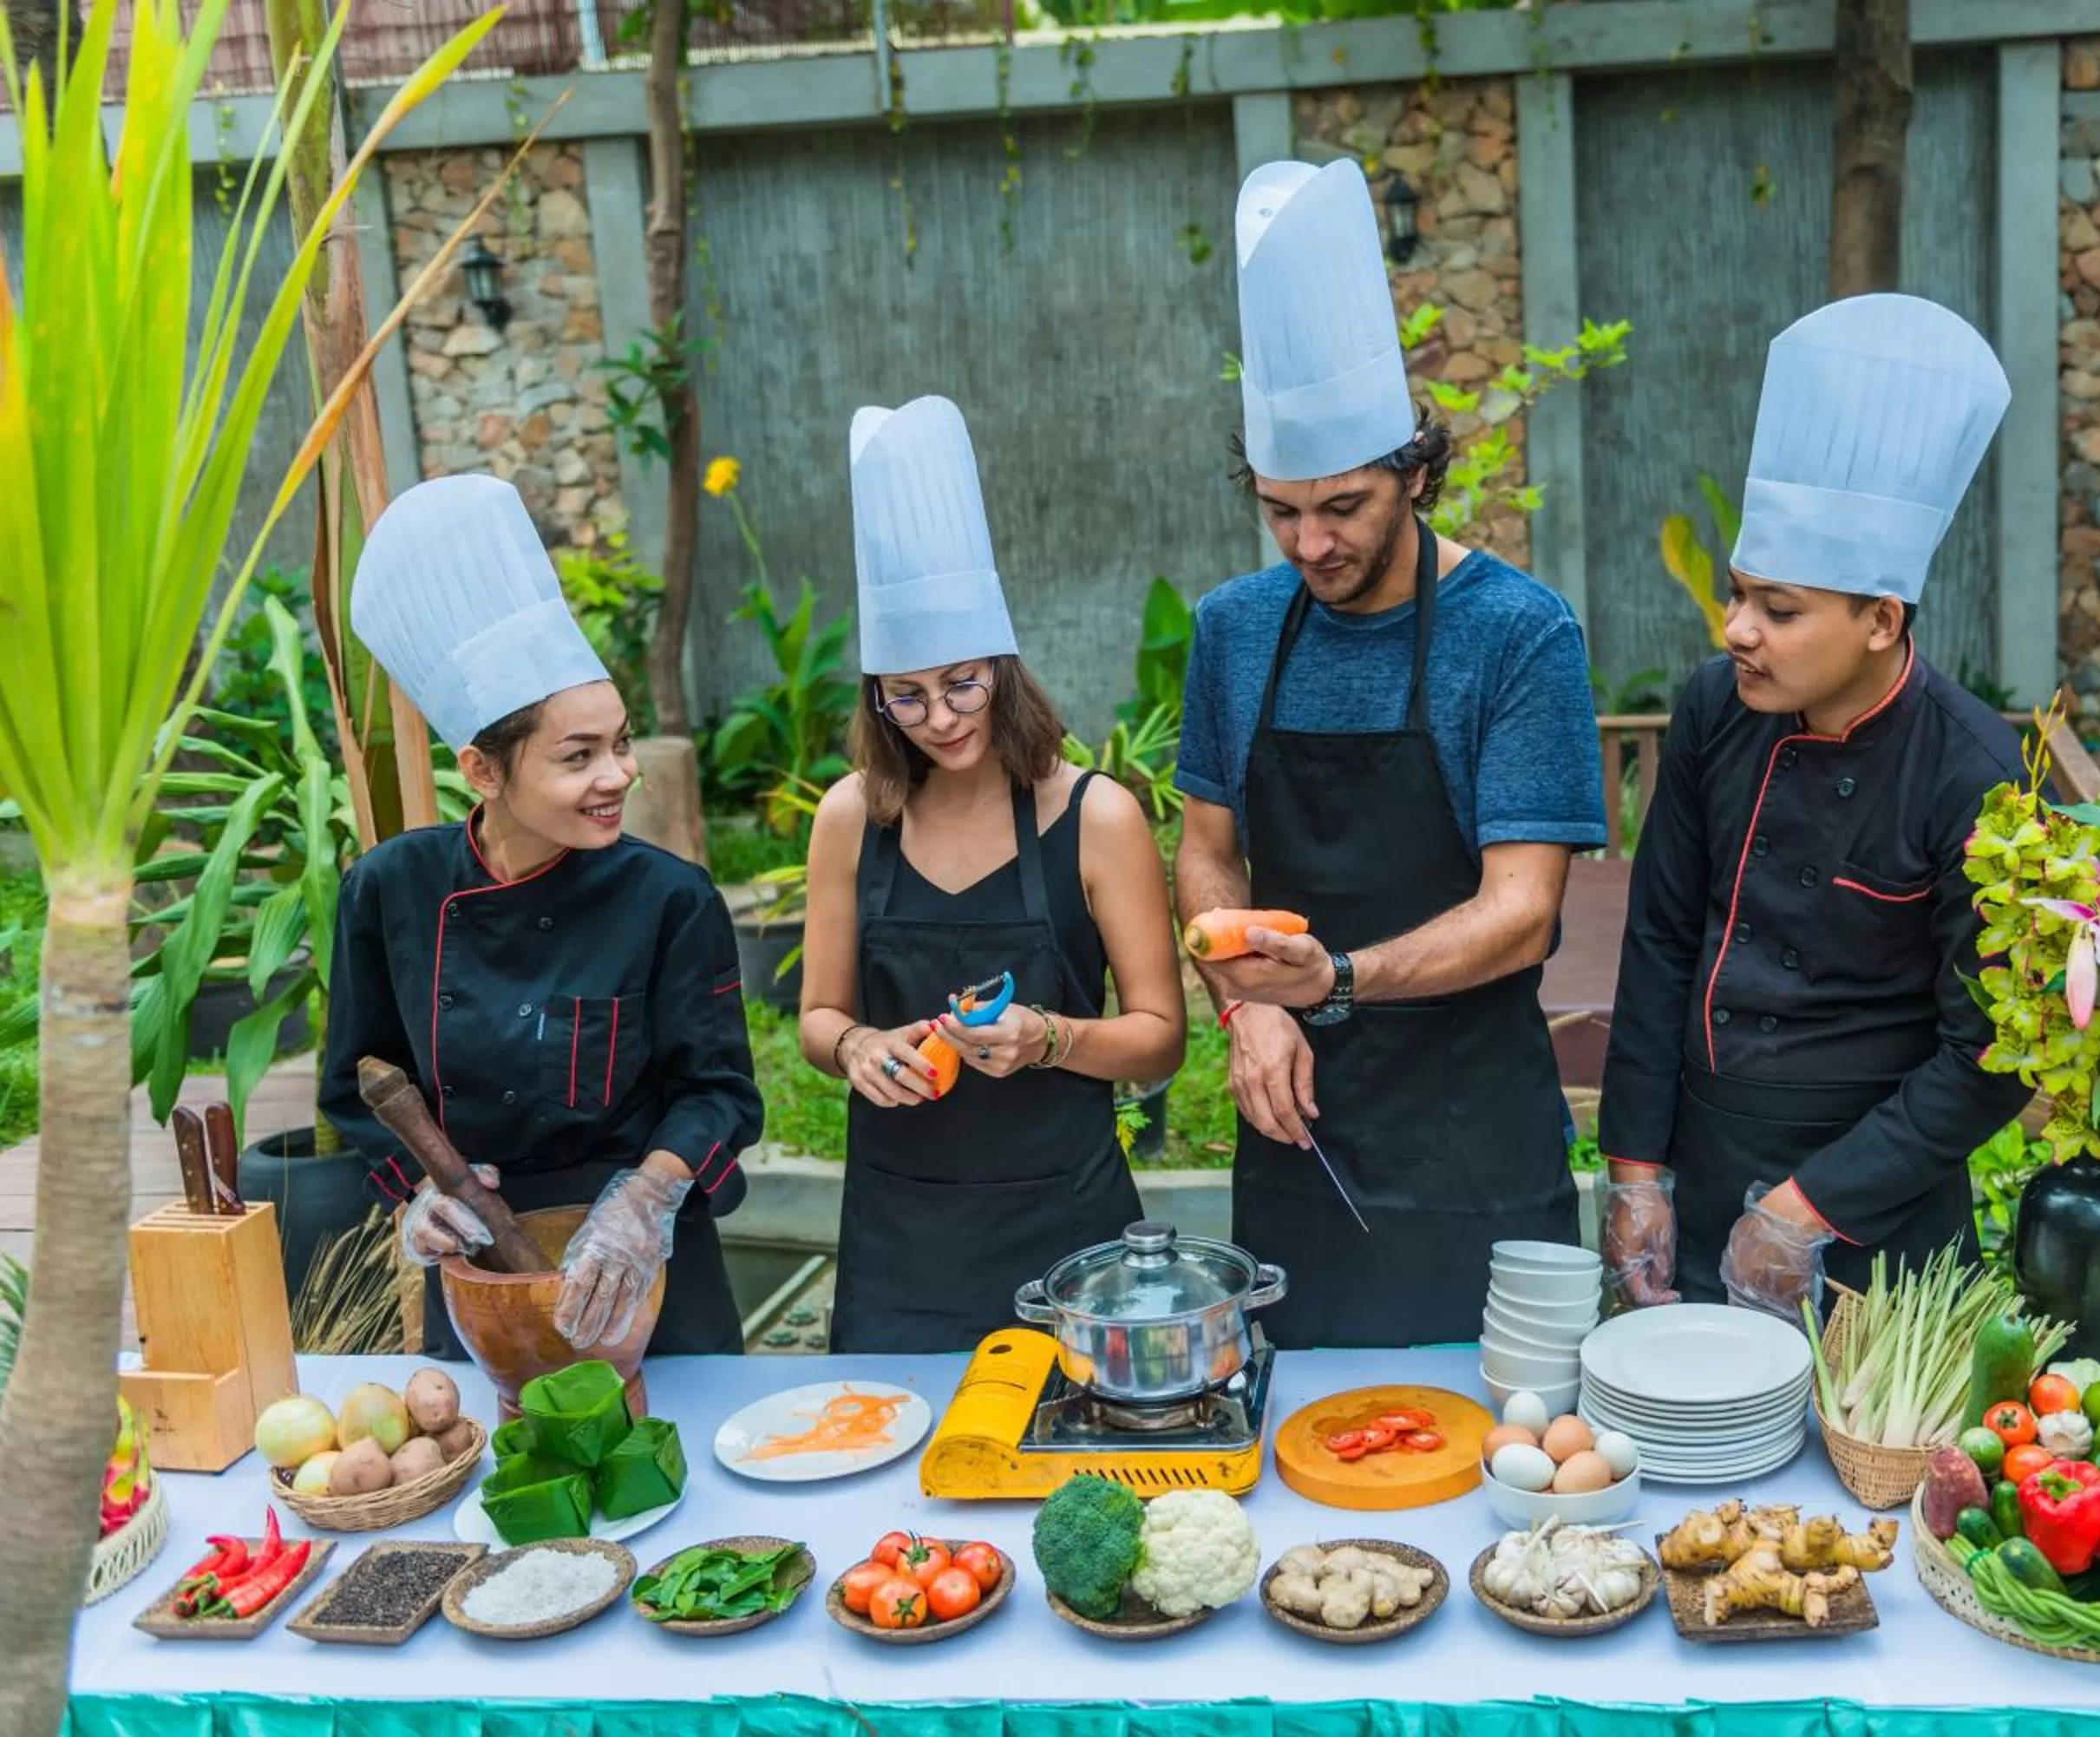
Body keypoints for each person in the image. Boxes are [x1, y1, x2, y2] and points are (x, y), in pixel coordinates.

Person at [1171, 159, 1607, 1349]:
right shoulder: (1234, 626)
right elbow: (1207, 855)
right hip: (1294, 1134)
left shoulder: (1519, 632)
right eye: (1280, 508)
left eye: (1346, 507)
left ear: (1417, 473)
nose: (1310, 541)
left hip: (1477, 1136)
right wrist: (1246, 1005)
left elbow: (1522, 913)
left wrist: (1334, 982)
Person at [1597, 292, 2035, 1320]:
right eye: (1741, 594)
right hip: (1701, 1162)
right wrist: (1634, 1171)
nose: (1738, 629)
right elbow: (1661, 937)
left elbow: (1991, 1052)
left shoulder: (1973, 770)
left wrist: (1807, 1207)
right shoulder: (1715, 707)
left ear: (1881, 618)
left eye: (1778, 610)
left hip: (1882, 1197)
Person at [323, 475, 763, 1357]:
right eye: (579, 756)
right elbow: (357, 1086)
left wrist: (645, 1202)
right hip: (483, 1265)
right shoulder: (390, 889)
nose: (620, 775)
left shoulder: (670, 899)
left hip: (639, 1264)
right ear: (483, 770)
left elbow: (718, 1095)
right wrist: (422, 1195)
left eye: (622, 741)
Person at [798, 394, 1185, 1354]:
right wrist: (854, 1051)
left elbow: (1162, 1039)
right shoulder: (851, 817)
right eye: (908, 696)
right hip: (899, 1237)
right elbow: (817, 1016)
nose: (939, 716)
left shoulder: (1095, 815)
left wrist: (1046, 1037)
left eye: (962, 681)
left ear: (1004, 668)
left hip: (1067, 1233)